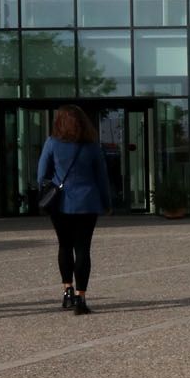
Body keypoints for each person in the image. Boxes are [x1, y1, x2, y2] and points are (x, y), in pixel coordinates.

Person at [38, 104, 114, 315]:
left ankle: (67, 291)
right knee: (83, 249)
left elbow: (41, 175)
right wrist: (107, 203)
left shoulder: (52, 143)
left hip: (60, 203)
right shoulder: (91, 147)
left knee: (64, 246)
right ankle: (81, 298)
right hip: (87, 203)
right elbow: (102, 178)